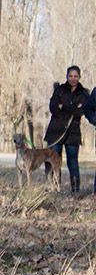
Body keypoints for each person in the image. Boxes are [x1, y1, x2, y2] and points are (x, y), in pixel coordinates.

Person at [45, 66, 88, 194]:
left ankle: (75, 190)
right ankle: (54, 188)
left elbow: (81, 111)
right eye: (70, 76)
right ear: (66, 76)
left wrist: (63, 106)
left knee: (72, 161)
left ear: (79, 77)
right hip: (55, 131)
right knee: (52, 161)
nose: (73, 79)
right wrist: (72, 108)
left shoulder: (84, 94)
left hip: (73, 132)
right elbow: (53, 107)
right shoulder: (59, 90)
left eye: (75, 76)